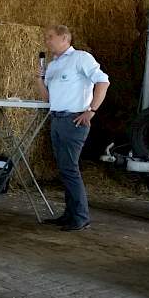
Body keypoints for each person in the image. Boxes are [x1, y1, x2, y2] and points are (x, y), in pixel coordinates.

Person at [36, 25, 109, 232]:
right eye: (46, 38)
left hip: (74, 120)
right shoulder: (53, 65)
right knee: (64, 168)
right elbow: (48, 98)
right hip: (57, 118)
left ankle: (80, 216)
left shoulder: (81, 58)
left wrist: (91, 110)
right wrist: (38, 79)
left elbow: (103, 82)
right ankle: (70, 214)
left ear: (65, 38)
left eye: (50, 37)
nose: (47, 41)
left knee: (69, 168)